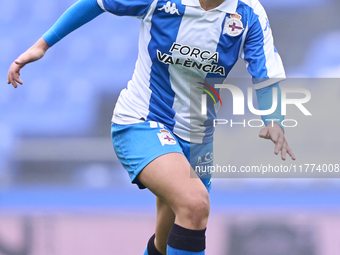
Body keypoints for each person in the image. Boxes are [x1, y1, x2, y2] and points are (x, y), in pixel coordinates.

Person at [7, 0, 296, 254]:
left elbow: (266, 74)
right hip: (141, 122)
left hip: (197, 139)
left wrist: (275, 121)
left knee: (166, 241)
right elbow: (97, 2)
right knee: (195, 205)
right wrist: (42, 45)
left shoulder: (248, 14)